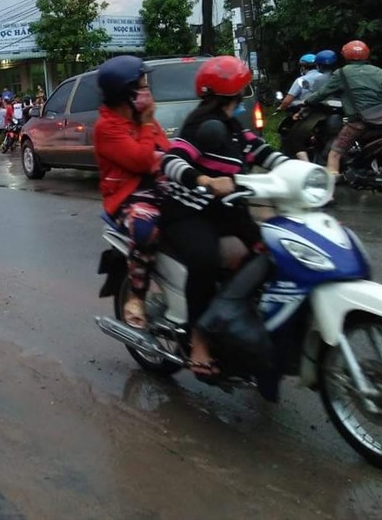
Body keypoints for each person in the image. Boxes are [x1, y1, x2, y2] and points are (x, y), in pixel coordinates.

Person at [160, 56, 287, 378]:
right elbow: (172, 161)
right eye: (243, 89)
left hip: (227, 210)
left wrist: (302, 170)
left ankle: (242, 318)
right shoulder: (200, 125)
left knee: (273, 250)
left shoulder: (234, 127)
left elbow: (262, 151)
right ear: (232, 93)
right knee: (204, 259)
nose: (245, 95)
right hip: (189, 211)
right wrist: (204, 180)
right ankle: (198, 339)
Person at [92, 56, 171, 327]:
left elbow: (165, 150)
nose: (147, 89)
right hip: (128, 198)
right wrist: (147, 125)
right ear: (125, 92)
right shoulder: (106, 127)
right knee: (146, 229)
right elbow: (141, 160)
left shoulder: (141, 118)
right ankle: (137, 294)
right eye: (141, 85)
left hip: (158, 186)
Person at [304, 39, 382, 177]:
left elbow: (322, 93)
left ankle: (330, 190)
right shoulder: (380, 72)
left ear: (345, 55)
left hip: (360, 121)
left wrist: (307, 102)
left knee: (335, 153)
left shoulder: (342, 73)